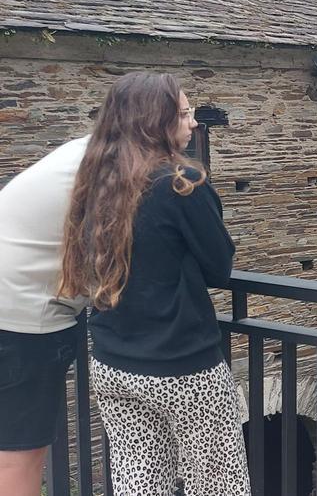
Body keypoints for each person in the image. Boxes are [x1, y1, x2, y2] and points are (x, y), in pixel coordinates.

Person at [58, 73, 248, 496]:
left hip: (113, 362)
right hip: (182, 368)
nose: (194, 122)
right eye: (183, 113)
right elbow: (220, 267)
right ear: (155, 122)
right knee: (218, 483)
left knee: (139, 482)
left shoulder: (96, 183)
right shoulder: (182, 183)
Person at [0, 138, 89, 496]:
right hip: (24, 323)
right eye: (182, 113)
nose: (192, 122)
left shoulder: (77, 153)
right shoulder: (115, 164)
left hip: (13, 309)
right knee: (19, 457)